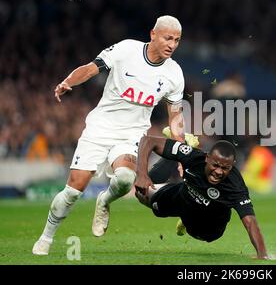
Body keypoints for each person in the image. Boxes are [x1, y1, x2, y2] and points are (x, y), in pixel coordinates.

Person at [32, 15, 186, 255]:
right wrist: (68, 81)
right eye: (168, 38)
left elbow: (175, 117)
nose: (172, 44)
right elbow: (92, 68)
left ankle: (104, 201)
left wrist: (182, 152)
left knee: (125, 179)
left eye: (177, 40)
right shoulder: (126, 50)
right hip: (100, 128)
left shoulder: (174, 73)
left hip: (132, 134)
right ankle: (46, 237)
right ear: (153, 34)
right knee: (73, 190)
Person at [134, 135, 269, 260]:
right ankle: (177, 148)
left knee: (201, 231)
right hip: (183, 198)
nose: (218, 172)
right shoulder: (193, 157)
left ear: (232, 165)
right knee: (141, 194)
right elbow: (148, 140)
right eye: (215, 165)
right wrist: (141, 174)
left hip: (208, 226)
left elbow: (250, 222)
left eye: (225, 168)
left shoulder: (235, 186)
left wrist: (262, 255)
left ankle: (185, 221)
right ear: (207, 157)